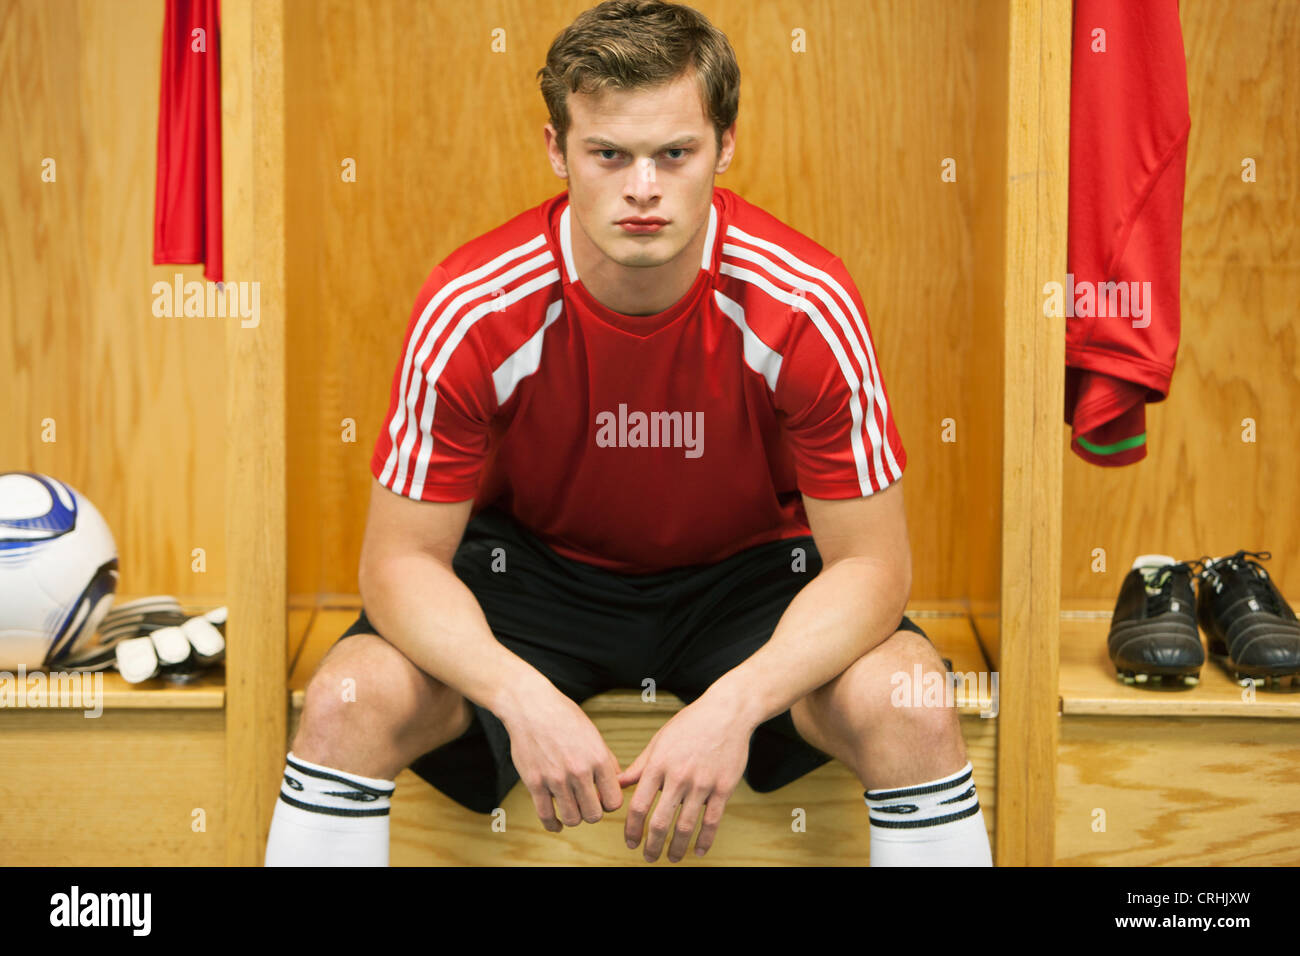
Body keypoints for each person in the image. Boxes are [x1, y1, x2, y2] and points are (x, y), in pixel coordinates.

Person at [265, 0, 992, 867]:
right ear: (555, 150)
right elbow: (398, 563)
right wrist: (518, 695)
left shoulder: (804, 304)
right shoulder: (474, 307)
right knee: (347, 698)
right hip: (530, 575)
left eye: (673, 154)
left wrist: (735, 704)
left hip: (751, 578)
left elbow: (874, 566)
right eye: (608, 153)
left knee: (911, 701)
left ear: (724, 147)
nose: (641, 188)